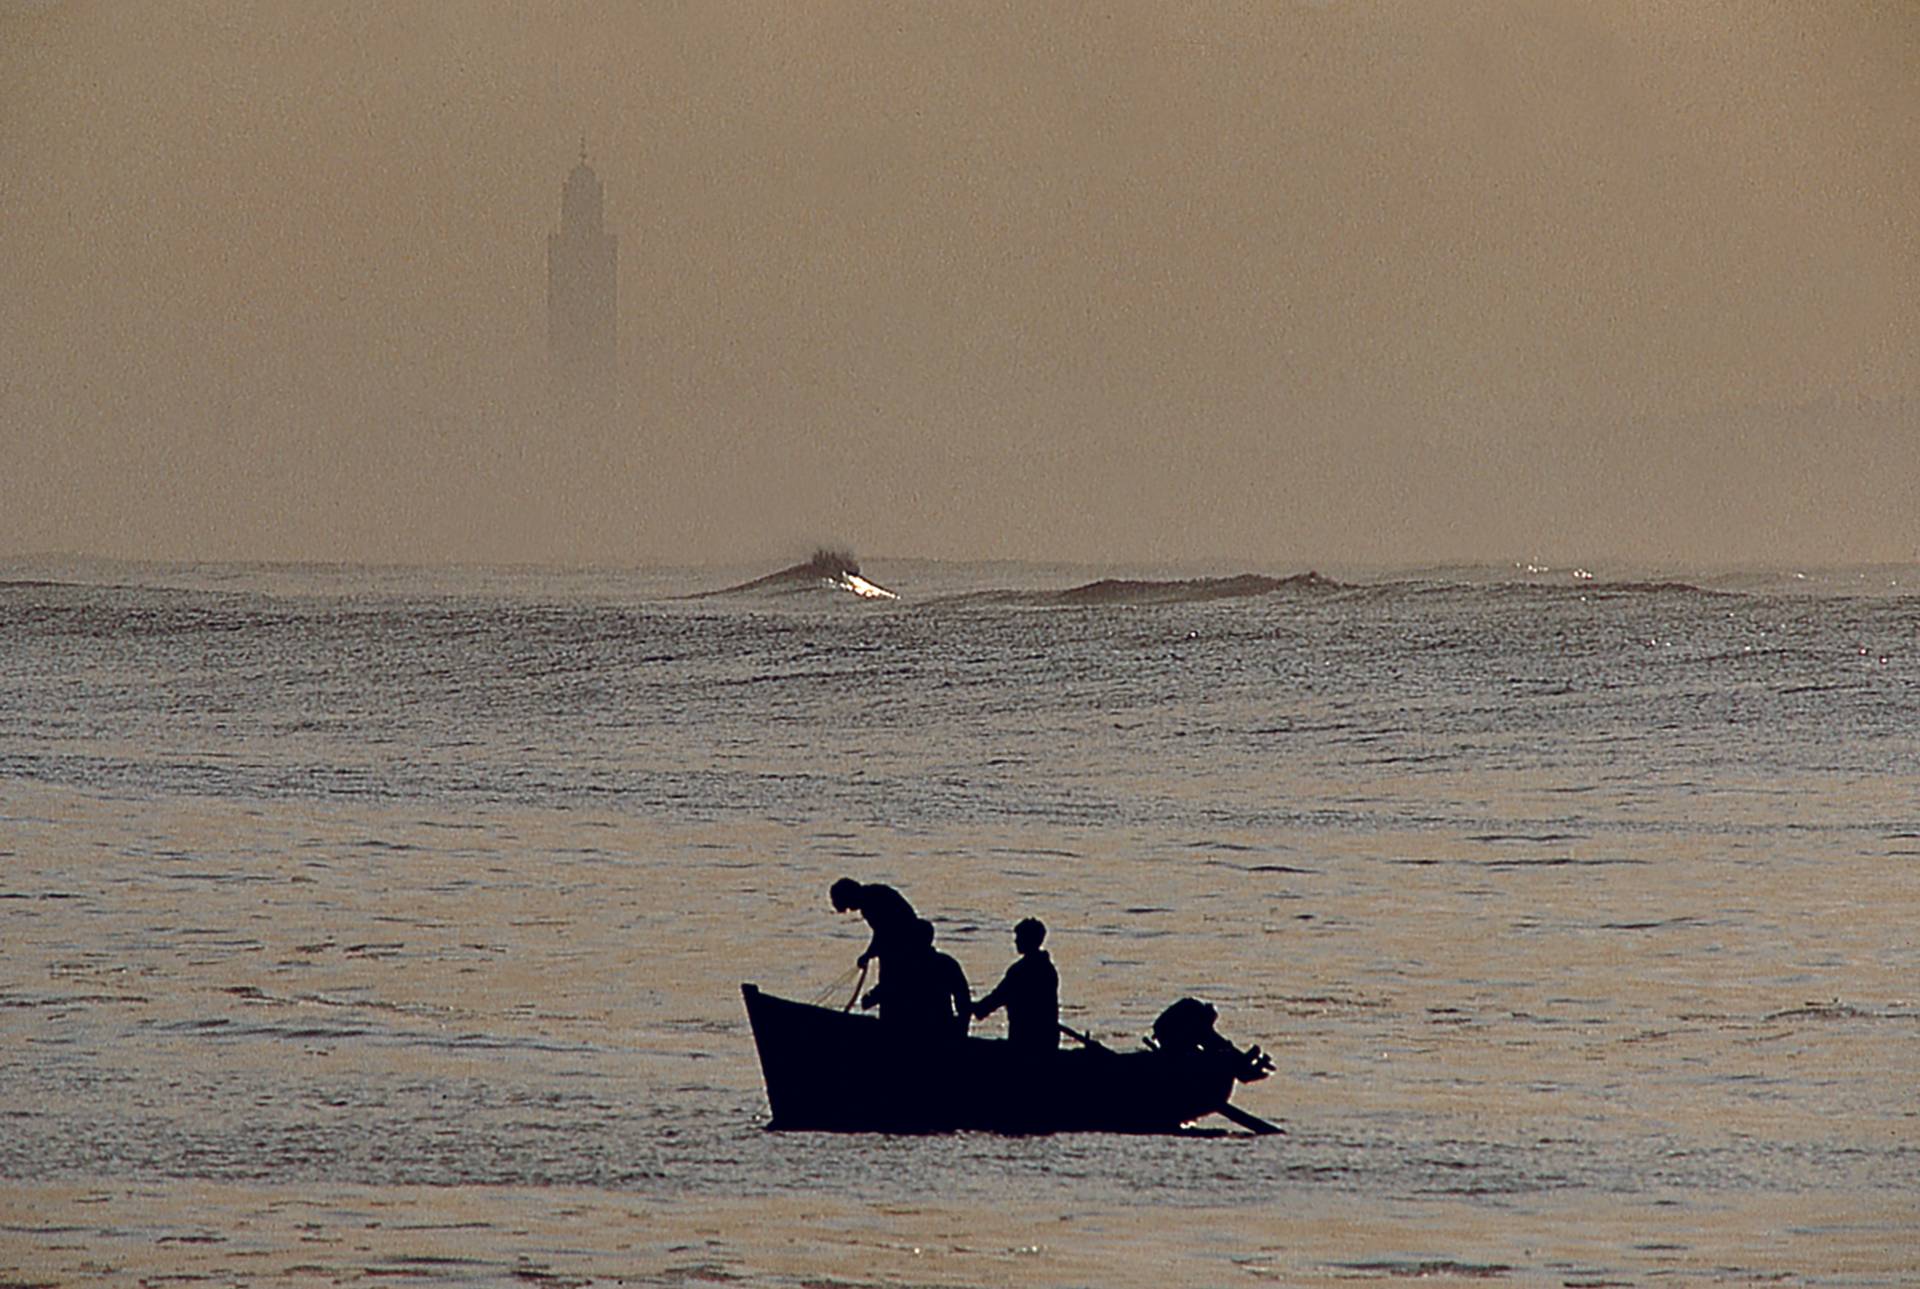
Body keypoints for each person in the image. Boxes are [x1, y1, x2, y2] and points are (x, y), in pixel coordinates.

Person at [861, 917, 971, 1042]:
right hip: (940, 1027)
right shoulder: (947, 964)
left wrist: (869, 999)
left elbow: (887, 988)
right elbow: (963, 999)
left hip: (907, 1029)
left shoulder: (904, 965)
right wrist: (961, 1028)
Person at [972, 916, 1059, 1052]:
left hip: (1025, 1037)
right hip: (1048, 1036)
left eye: (1019, 937)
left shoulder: (1021, 970)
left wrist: (978, 1009)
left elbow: (999, 996)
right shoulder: (1047, 968)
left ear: (1028, 940)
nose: (1016, 941)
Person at [829, 877, 918, 970]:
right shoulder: (872, 894)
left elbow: (884, 933)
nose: (850, 909)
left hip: (904, 942)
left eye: (848, 906)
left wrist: (867, 955)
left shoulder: (870, 903)